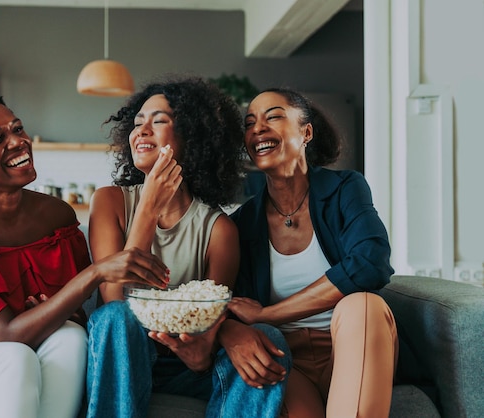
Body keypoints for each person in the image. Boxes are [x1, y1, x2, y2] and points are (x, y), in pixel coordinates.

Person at [0, 92, 170, 418]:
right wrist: (96, 272)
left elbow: (75, 316)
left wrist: (66, 314)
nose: (17, 142)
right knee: (14, 357)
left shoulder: (57, 216)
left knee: (70, 336)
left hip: (26, 355)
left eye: (17, 129)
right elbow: (7, 336)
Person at [85, 76, 291, 418]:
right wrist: (148, 208)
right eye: (137, 123)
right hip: (126, 358)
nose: (142, 131)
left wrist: (201, 356)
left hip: (185, 364)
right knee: (115, 318)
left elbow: (212, 316)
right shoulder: (109, 202)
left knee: (269, 338)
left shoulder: (219, 230)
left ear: (192, 137)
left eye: (159, 121)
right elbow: (115, 298)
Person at [229, 87, 398, 417]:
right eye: (250, 123)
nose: (258, 128)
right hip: (287, 359)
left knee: (362, 304)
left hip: (353, 343)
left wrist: (268, 314)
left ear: (306, 132)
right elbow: (227, 304)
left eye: (273, 116)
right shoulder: (242, 224)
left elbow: (371, 263)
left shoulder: (345, 188)